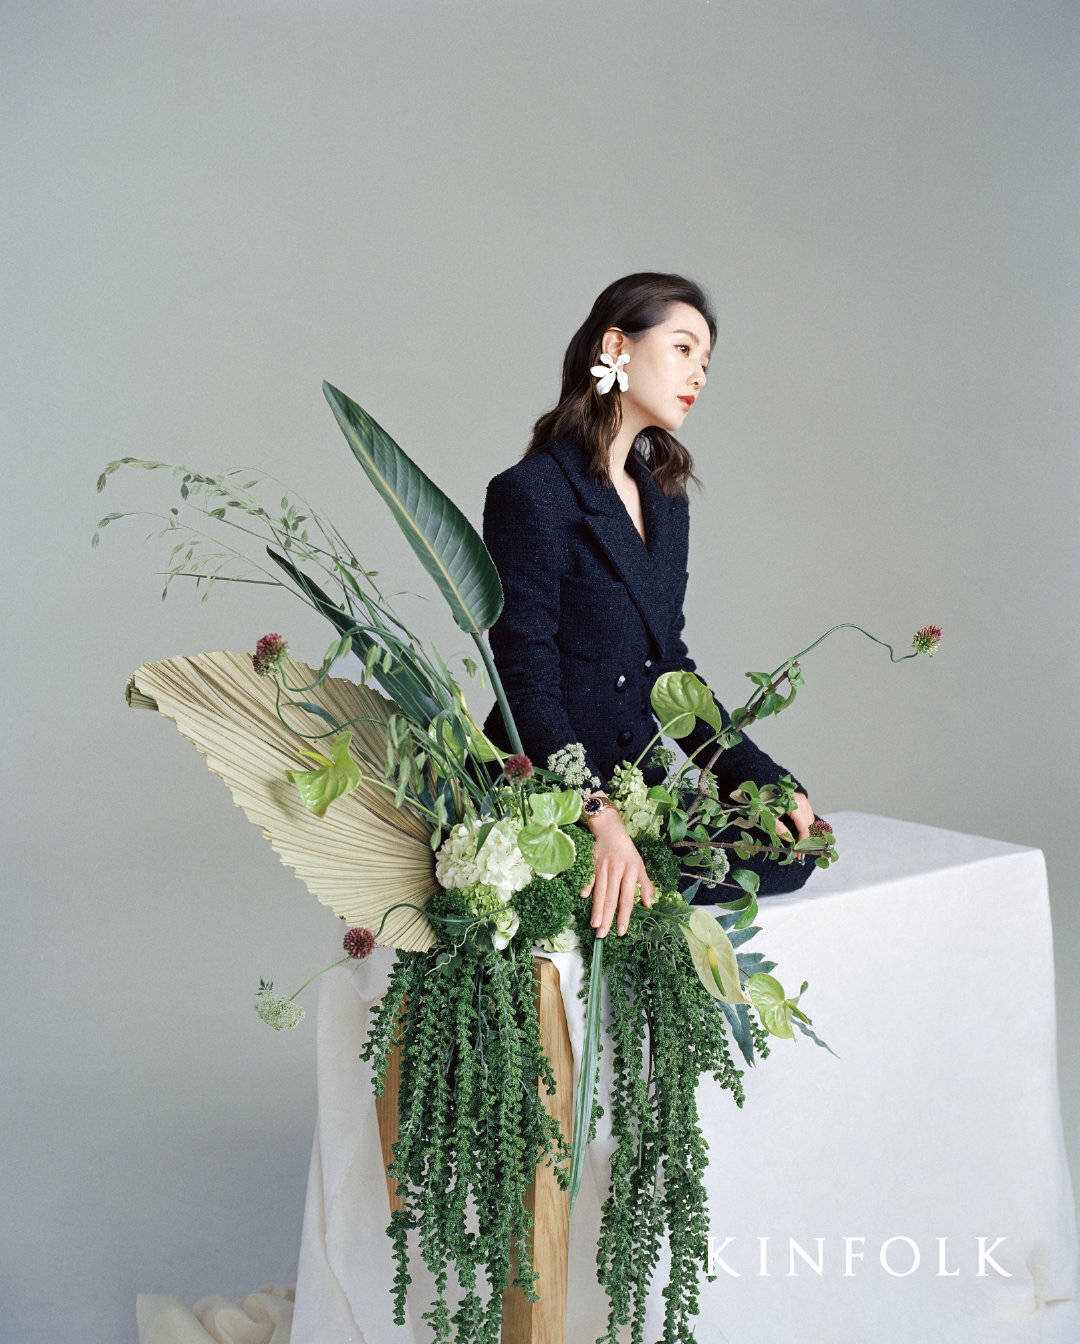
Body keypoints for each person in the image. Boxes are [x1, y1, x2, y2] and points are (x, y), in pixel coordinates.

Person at [481, 272, 819, 943]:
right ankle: (577, 873)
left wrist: (762, 782)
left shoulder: (666, 501)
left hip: (642, 784)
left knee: (790, 850)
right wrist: (598, 815)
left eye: (706, 361)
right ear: (617, 346)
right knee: (603, 865)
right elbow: (524, 683)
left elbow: (669, 670)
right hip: (553, 789)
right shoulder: (532, 493)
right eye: (683, 348)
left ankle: (624, 878)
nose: (699, 375)